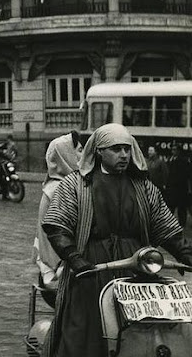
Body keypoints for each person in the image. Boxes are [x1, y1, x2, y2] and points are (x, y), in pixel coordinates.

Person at [42, 123, 192, 357]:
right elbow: (57, 225)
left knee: (142, 325)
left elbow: (164, 223)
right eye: (116, 149)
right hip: (93, 269)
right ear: (99, 151)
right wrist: (75, 258)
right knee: (88, 324)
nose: (123, 155)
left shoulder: (143, 186)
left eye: (127, 149)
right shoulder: (77, 184)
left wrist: (184, 253)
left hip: (136, 267)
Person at [33, 131, 81, 290]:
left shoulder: (56, 184)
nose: (83, 155)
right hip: (63, 266)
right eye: (79, 151)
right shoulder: (61, 188)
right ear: (65, 155)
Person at [165, 142, 191, 227]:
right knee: (171, 207)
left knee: (181, 208)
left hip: (181, 189)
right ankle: (170, 223)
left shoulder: (183, 161)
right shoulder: (170, 159)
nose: (173, 151)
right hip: (172, 189)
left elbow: (187, 174)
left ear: (179, 151)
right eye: (172, 149)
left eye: (175, 150)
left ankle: (182, 224)